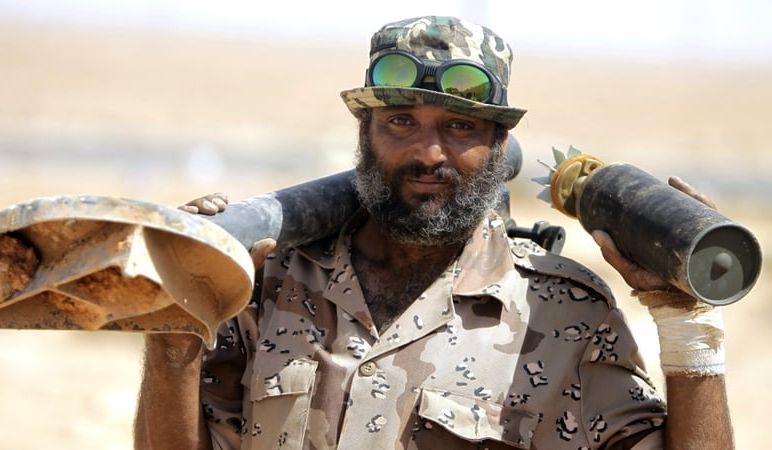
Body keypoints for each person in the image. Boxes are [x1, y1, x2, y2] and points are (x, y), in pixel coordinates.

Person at [134, 16, 733, 449]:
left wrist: (690, 329)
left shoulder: (564, 313)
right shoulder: (270, 281)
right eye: (400, 121)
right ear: (364, 135)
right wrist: (175, 328)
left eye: (459, 126)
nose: (428, 151)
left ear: (499, 147)